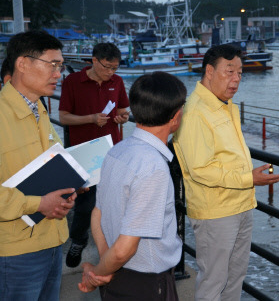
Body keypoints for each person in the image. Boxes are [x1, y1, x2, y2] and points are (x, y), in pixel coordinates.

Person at [172, 44, 279, 301]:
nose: (236, 79)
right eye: (229, 71)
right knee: (214, 283)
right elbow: (201, 170)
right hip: (216, 211)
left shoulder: (224, 104)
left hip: (240, 204)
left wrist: (249, 180)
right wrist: (249, 178)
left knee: (235, 279)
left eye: (240, 73)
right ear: (209, 72)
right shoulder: (195, 112)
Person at [78, 71, 187, 300]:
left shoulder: (117, 151)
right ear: (176, 117)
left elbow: (98, 213)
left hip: (118, 274)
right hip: (146, 283)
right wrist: (98, 274)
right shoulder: (153, 167)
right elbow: (125, 248)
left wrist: (105, 265)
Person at [0, 30, 77, 300]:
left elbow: (53, 164)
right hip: (15, 251)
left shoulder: (39, 110)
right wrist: (38, 204)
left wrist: (71, 187)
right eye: (52, 65)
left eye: (61, 66)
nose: (58, 73)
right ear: (22, 64)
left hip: (53, 240)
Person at [59, 42, 130, 268]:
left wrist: (122, 118)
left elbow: (122, 110)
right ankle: (78, 240)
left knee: (114, 203)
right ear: (94, 60)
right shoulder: (72, 82)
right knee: (84, 204)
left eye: (115, 68)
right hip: (84, 152)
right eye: (107, 67)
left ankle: (111, 251)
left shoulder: (117, 82)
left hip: (112, 151)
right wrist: (90, 119)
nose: (111, 72)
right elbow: (63, 117)